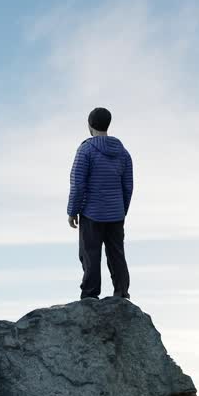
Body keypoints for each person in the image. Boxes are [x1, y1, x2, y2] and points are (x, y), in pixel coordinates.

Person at [67, 107, 133, 300]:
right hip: (116, 214)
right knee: (116, 255)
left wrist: (73, 211)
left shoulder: (86, 150)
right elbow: (128, 186)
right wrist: (121, 210)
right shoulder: (123, 153)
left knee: (90, 255)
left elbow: (78, 183)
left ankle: (90, 296)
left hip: (91, 214)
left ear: (89, 125)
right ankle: (121, 293)